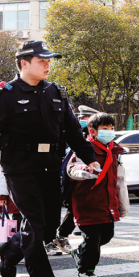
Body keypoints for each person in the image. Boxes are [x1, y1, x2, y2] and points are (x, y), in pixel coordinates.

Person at [0, 40, 99, 277]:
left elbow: (73, 131)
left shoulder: (57, 93)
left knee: (48, 227)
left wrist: (89, 158)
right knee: (36, 223)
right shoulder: (6, 94)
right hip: (19, 166)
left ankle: (10, 249)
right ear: (24, 63)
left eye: (49, 61)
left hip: (50, 164)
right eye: (42, 61)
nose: (48, 65)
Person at [66, 113, 128, 277]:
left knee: (107, 236)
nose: (109, 131)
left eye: (111, 128)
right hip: (87, 202)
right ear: (93, 132)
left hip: (107, 202)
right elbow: (72, 169)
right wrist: (86, 170)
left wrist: (122, 204)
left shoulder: (114, 151)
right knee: (92, 239)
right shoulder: (85, 148)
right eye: (104, 129)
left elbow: (119, 180)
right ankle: (86, 270)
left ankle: (80, 252)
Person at [46, 105, 100, 255]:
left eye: (85, 118)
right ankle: (49, 240)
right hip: (63, 173)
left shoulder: (93, 134)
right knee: (52, 209)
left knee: (73, 208)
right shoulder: (66, 129)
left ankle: (61, 236)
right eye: (81, 118)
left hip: (81, 176)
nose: (82, 121)